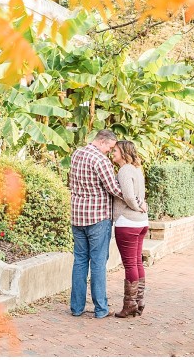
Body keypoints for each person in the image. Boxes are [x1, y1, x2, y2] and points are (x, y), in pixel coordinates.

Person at [68, 129, 123, 319]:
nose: (110, 150)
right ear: (102, 141)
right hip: (98, 217)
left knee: (80, 261)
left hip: (77, 215)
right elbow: (114, 188)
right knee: (98, 263)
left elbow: (71, 182)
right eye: (109, 147)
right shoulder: (101, 160)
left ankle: (76, 308)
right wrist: (135, 199)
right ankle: (101, 309)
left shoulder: (77, 154)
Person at [111, 140, 149, 318]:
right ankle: (139, 302)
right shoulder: (136, 169)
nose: (113, 153)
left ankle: (130, 305)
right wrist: (141, 206)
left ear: (124, 152)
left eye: (116, 150)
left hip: (128, 222)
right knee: (137, 262)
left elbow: (128, 196)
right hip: (140, 223)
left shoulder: (125, 170)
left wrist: (137, 206)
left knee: (130, 264)